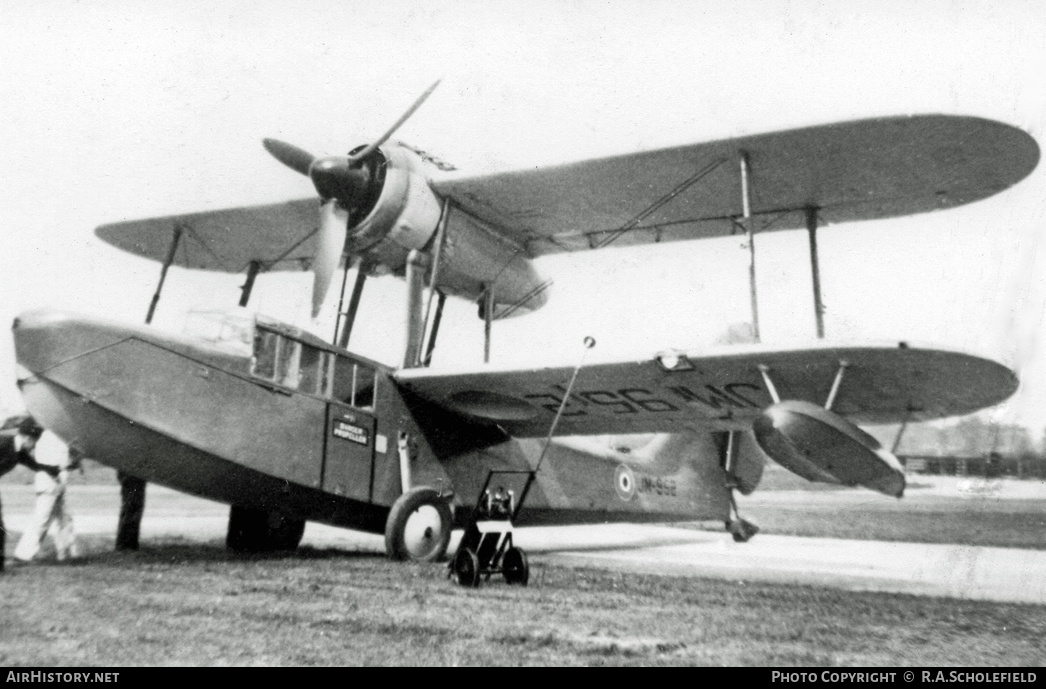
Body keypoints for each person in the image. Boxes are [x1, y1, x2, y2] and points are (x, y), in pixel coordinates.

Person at [13, 429, 80, 563]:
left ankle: (65, 552)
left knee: (63, 518)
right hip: (50, 484)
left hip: (55, 482)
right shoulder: (49, 438)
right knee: (42, 519)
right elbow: (51, 465)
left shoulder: (54, 436)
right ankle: (23, 554)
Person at [0, 416, 45, 571]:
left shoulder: (19, 450)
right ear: (27, 438)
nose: (35, 445)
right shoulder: (4, 442)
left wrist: (63, 466)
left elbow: (37, 466)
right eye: (35, 440)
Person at [116, 471, 146, 551]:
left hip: (132, 475)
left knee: (133, 507)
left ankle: (127, 544)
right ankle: (126, 545)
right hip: (132, 475)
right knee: (132, 507)